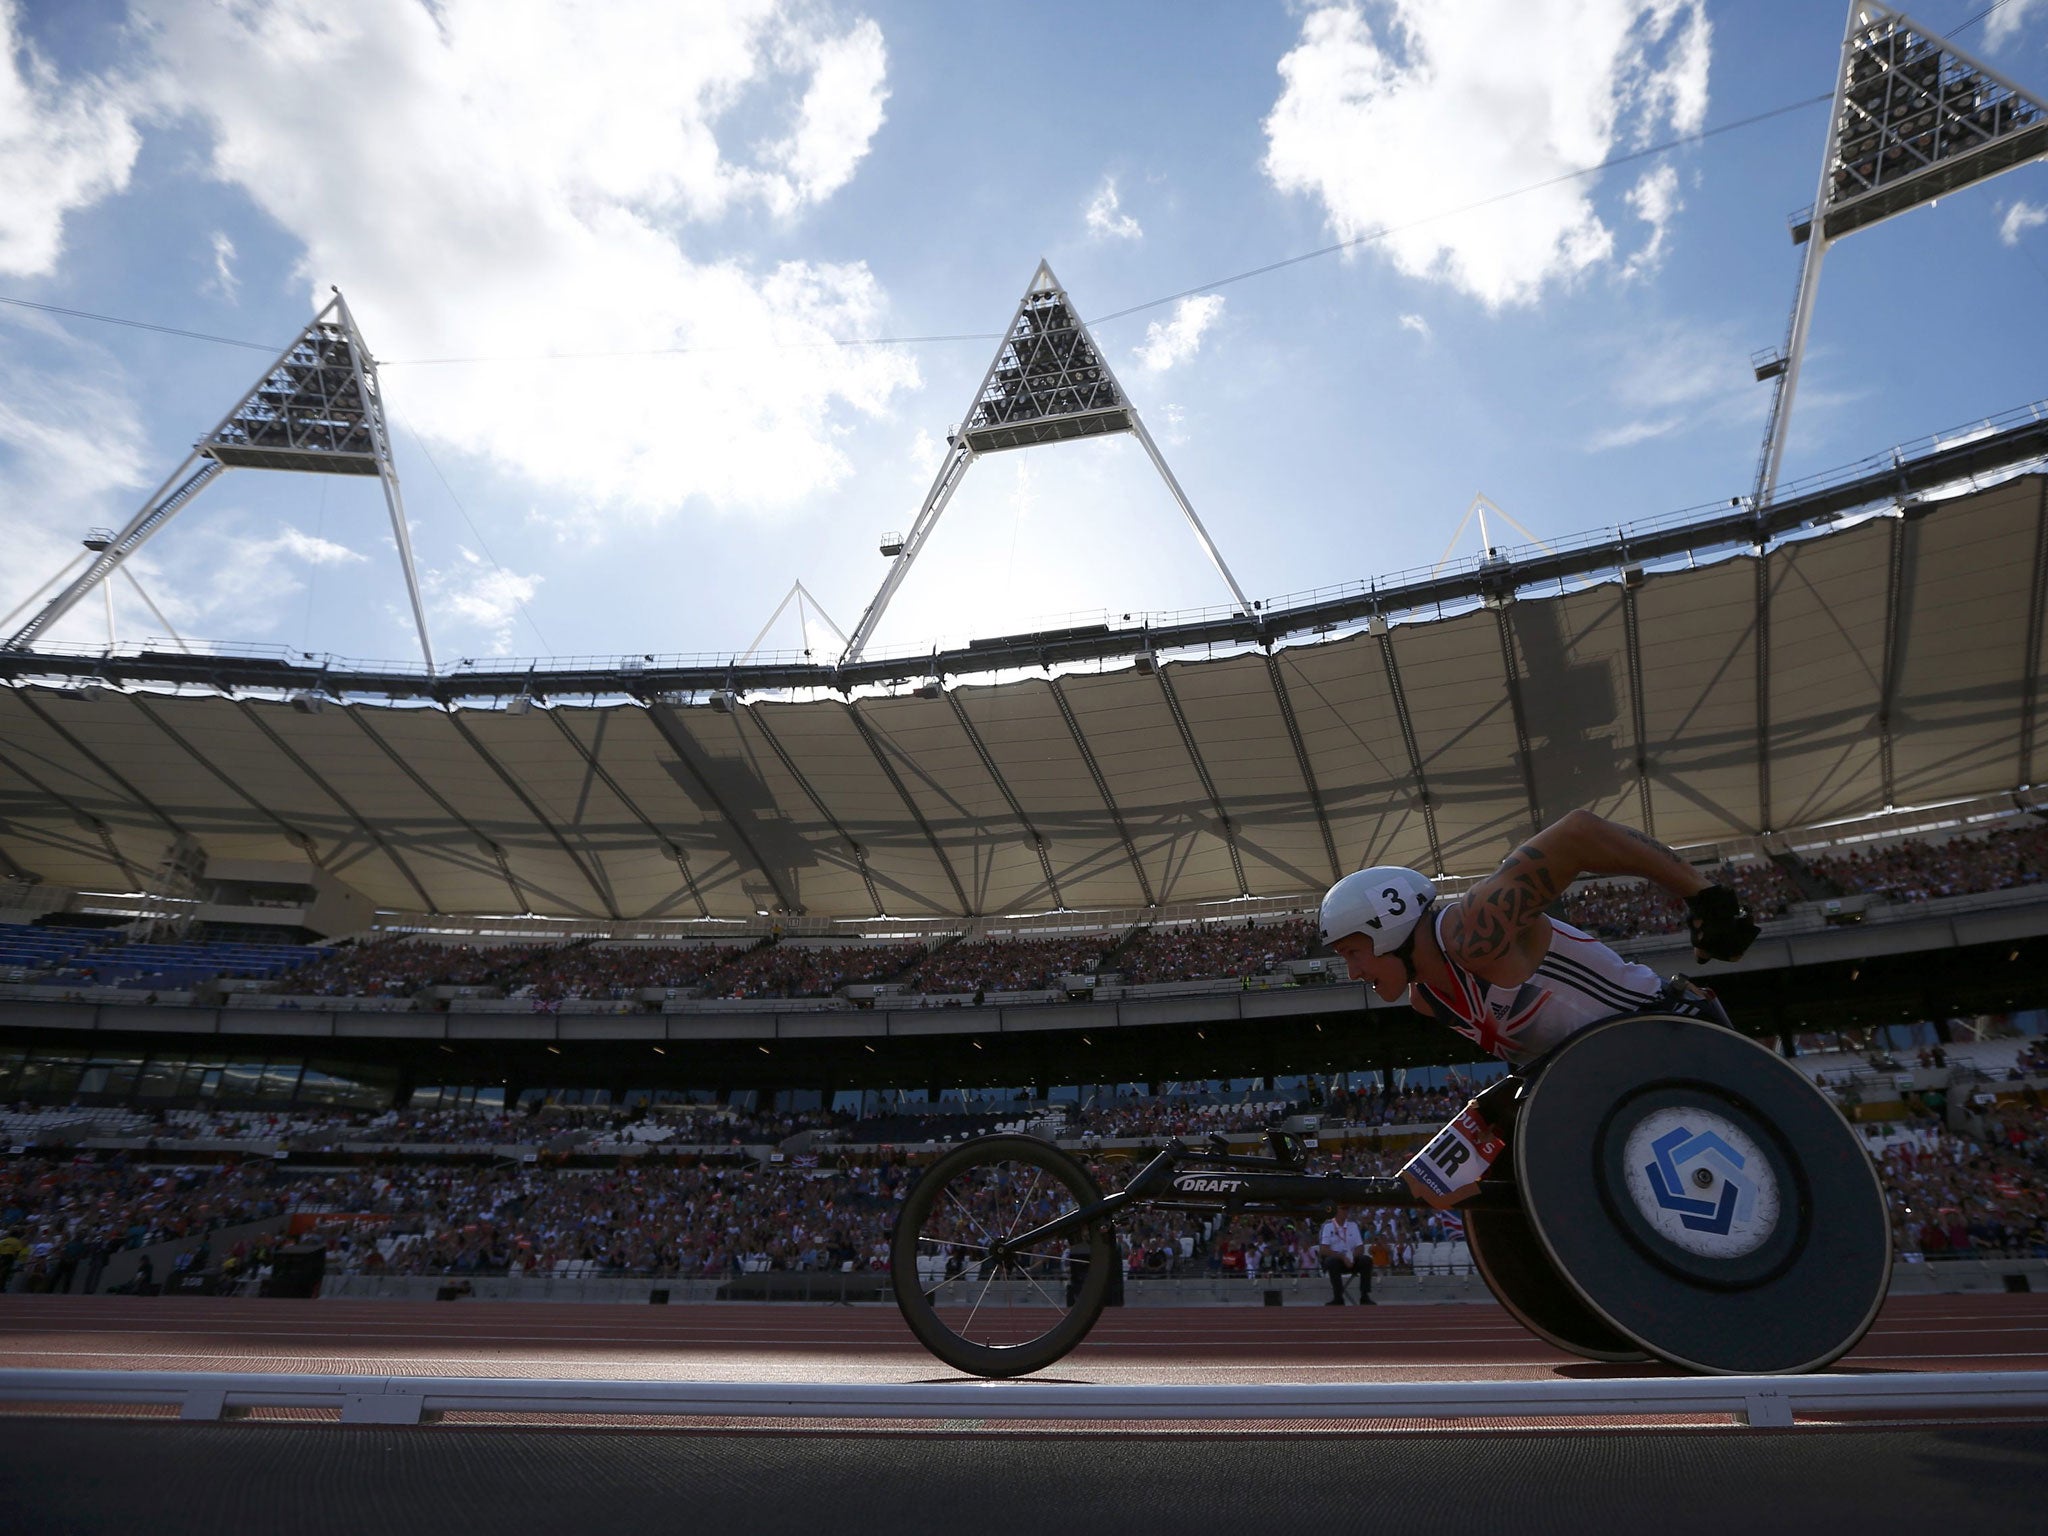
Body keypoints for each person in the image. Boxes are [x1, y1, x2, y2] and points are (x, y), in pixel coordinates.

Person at [1318, 808, 1762, 1207]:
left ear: (1387, 927)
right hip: (1623, 1090)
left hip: (1678, 1040)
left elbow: (1578, 833)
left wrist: (1705, 897)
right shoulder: (1427, 1001)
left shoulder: (1470, 932)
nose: (1353, 971)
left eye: (1352, 952)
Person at [1316, 1205, 1370, 1305]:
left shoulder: (1353, 1225)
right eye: (1343, 1209)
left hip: (1352, 1259)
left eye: (1347, 1209)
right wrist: (1342, 1257)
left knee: (1366, 1260)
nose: (1346, 1211)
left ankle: (1365, 1296)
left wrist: (1351, 1257)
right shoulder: (1328, 1227)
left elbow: (1360, 1247)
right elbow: (1323, 1249)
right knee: (1331, 1262)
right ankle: (1338, 1297)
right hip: (1337, 1260)